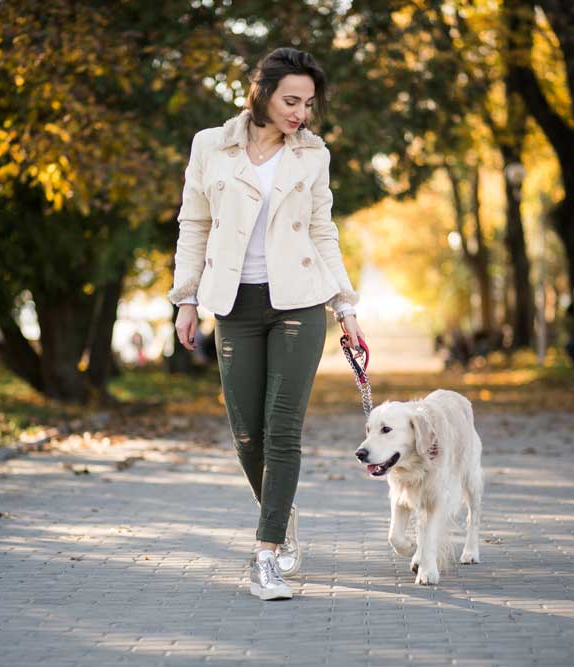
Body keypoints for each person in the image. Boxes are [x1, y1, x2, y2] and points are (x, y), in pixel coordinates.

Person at [168, 47, 365, 601]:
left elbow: (323, 231)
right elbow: (194, 223)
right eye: (290, 100)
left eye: (308, 103)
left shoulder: (313, 155)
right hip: (234, 305)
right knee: (246, 433)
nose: (300, 113)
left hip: (299, 303)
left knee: (282, 427)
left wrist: (345, 308)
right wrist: (185, 299)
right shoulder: (211, 146)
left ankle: (266, 554)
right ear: (261, 93)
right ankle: (281, 511)